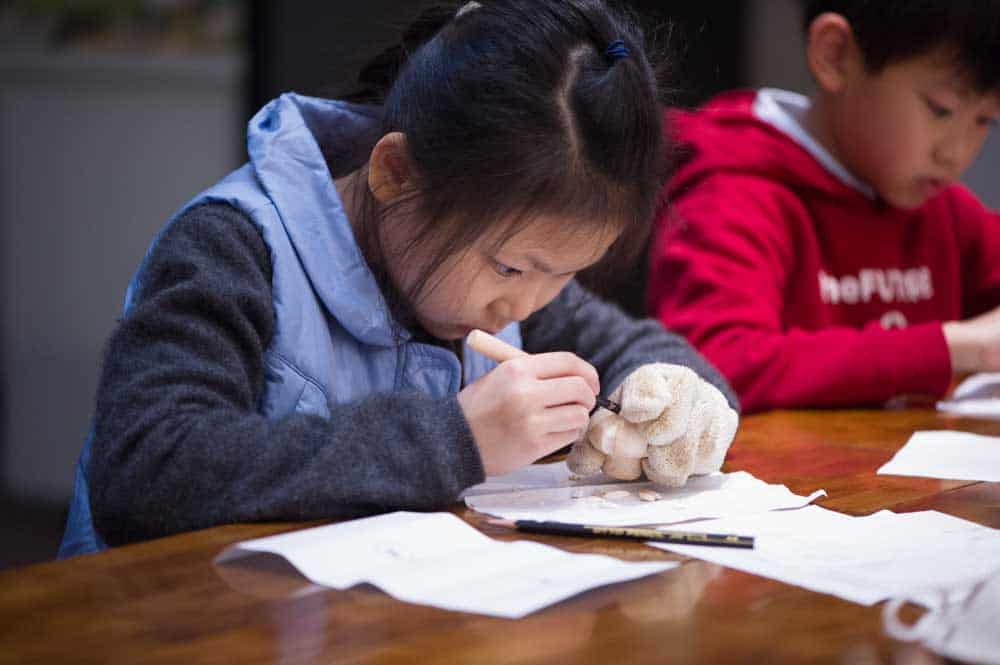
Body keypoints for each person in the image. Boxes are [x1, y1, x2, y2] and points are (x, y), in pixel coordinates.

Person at [58, 0, 738, 556]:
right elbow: (148, 470)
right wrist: (456, 439)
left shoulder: (510, 289)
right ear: (396, 173)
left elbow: (639, 348)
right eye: (509, 266)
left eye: (566, 272)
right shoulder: (234, 249)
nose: (525, 304)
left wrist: (675, 398)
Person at [647, 0, 1000, 413]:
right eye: (941, 109)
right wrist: (955, 347)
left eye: (985, 121)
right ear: (835, 55)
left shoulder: (942, 208)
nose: (956, 153)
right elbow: (708, 368)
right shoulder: (735, 192)